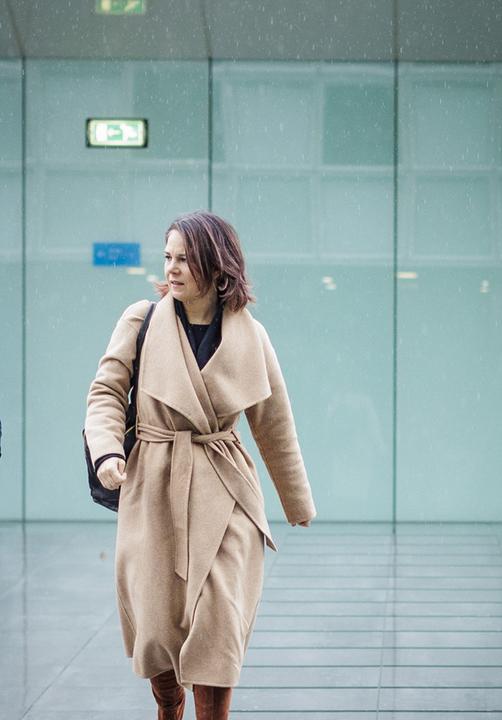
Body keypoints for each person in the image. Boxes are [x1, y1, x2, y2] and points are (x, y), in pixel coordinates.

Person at [84, 211, 316, 720]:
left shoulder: (251, 336)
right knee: (158, 625)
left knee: (219, 623)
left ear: (217, 264)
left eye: (185, 258)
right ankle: (169, 704)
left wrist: (295, 501)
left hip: (224, 487)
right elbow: (105, 392)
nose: (172, 268)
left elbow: (273, 423)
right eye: (167, 256)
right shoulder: (141, 320)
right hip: (152, 482)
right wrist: (106, 451)